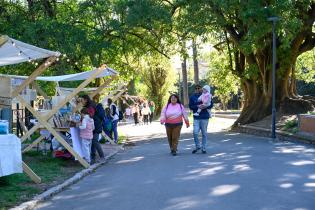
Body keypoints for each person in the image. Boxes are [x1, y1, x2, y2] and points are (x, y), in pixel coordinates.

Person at [189, 84, 213, 154]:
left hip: (205, 117)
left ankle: (203, 148)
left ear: (201, 89)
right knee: (195, 132)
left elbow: (211, 104)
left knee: (204, 133)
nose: (197, 89)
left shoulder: (207, 94)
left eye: (199, 88)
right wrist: (198, 106)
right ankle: (197, 146)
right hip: (196, 118)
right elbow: (191, 106)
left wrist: (205, 107)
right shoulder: (192, 97)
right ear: (194, 89)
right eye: (196, 88)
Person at [81, 94, 105, 163]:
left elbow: (91, 116)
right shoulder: (91, 105)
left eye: (81, 100)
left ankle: (102, 157)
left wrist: (84, 117)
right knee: (93, 141)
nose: (81, 102)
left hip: (96, 126)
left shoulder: (90, 106)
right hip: (94, 125)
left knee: (94, 141)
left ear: (85, 100)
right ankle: (93, 157)